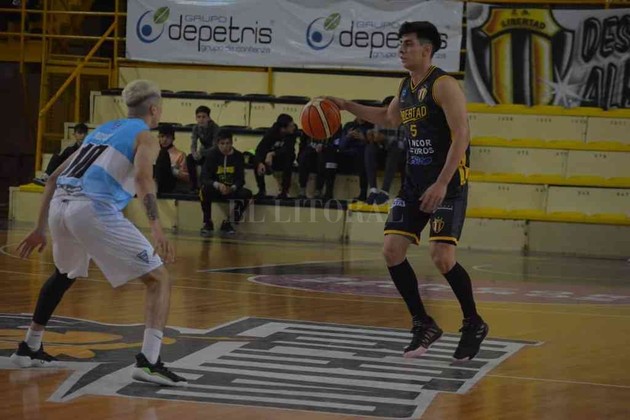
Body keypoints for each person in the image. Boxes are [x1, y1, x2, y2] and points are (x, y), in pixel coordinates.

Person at [328, 21, 488, 361]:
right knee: (391, 250)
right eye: (401, 44)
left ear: (426, 49)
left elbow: (462, 134)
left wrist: (442, 182)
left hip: (448, 182)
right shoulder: (404, 87)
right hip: (415, 182)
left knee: (442, 257)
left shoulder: (444, 85)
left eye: (408, 44)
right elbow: (387, 119)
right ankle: (423, 322)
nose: (401, 49)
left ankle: (473, 322)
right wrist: (345, 104)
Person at [11, 79, 186, 386]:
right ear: (154, 110)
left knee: (63, 274)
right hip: (92, 209)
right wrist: (157, 229)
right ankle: (149, 362)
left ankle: (30, 346)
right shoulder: (145, 137)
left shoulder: (100, 131)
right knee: (158, 279)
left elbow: (52, 178)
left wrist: (39, 227)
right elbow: (143, 180)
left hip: (60, 206)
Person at [199, 130, 252, 236]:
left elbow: (241, 179)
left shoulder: (238, 156)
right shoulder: (211, 155)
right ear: (217, 144)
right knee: (204, 190)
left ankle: (229, 223)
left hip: (231, 189)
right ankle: (207, 222)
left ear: (232, 143)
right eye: (222, 144)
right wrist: (218, 185)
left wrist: (232, 188)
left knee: (247, 194)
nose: (225, 146)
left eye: (228, 143)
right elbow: (204, 177)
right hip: (216, 188)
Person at [365, 96, 407, 205]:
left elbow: (403, 143)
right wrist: (372, 137)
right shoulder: (380, 119)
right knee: (369, 149)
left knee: (395, 147)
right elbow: (375, 135)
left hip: (398, 154)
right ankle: (373, 190)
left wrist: (385, 138)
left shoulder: (403, 121)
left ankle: (385, 191)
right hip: (383, 152)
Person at [253, 114, 297, 199]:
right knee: (256, 162)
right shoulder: (271, 132)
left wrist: (272, 154)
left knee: (288, 159)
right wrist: (260, 163)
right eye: (291, 126)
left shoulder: (293, 132)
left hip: (284, 157)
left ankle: (284, 191)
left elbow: (288, 149)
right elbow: (260, 149)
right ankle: (261, 190)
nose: (293, 127)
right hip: (271, 160)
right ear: (283, 128)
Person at [186, 105, 220, 192]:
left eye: (204, 117)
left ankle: (204, 186)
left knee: (208, 160)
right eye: (199, 117)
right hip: (203, 152)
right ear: (196, 118)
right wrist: (194, 154)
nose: (201, 119)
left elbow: (215, 147)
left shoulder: (215, 128)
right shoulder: (195, 128)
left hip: (213, 154)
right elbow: (193, 144)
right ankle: (194, 186)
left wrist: (202, 153)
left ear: (208, 118)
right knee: (189, 158)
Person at [154, 123, 190, 194]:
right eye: (162, 136)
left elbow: (187, 177)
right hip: (153, 182)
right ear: (158, 138)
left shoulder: (180, 155)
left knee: (163, 154)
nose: (164, 139)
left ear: (173, 139)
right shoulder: (152, 153)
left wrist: (173, 171)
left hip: (169, 185)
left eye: (168, 137)